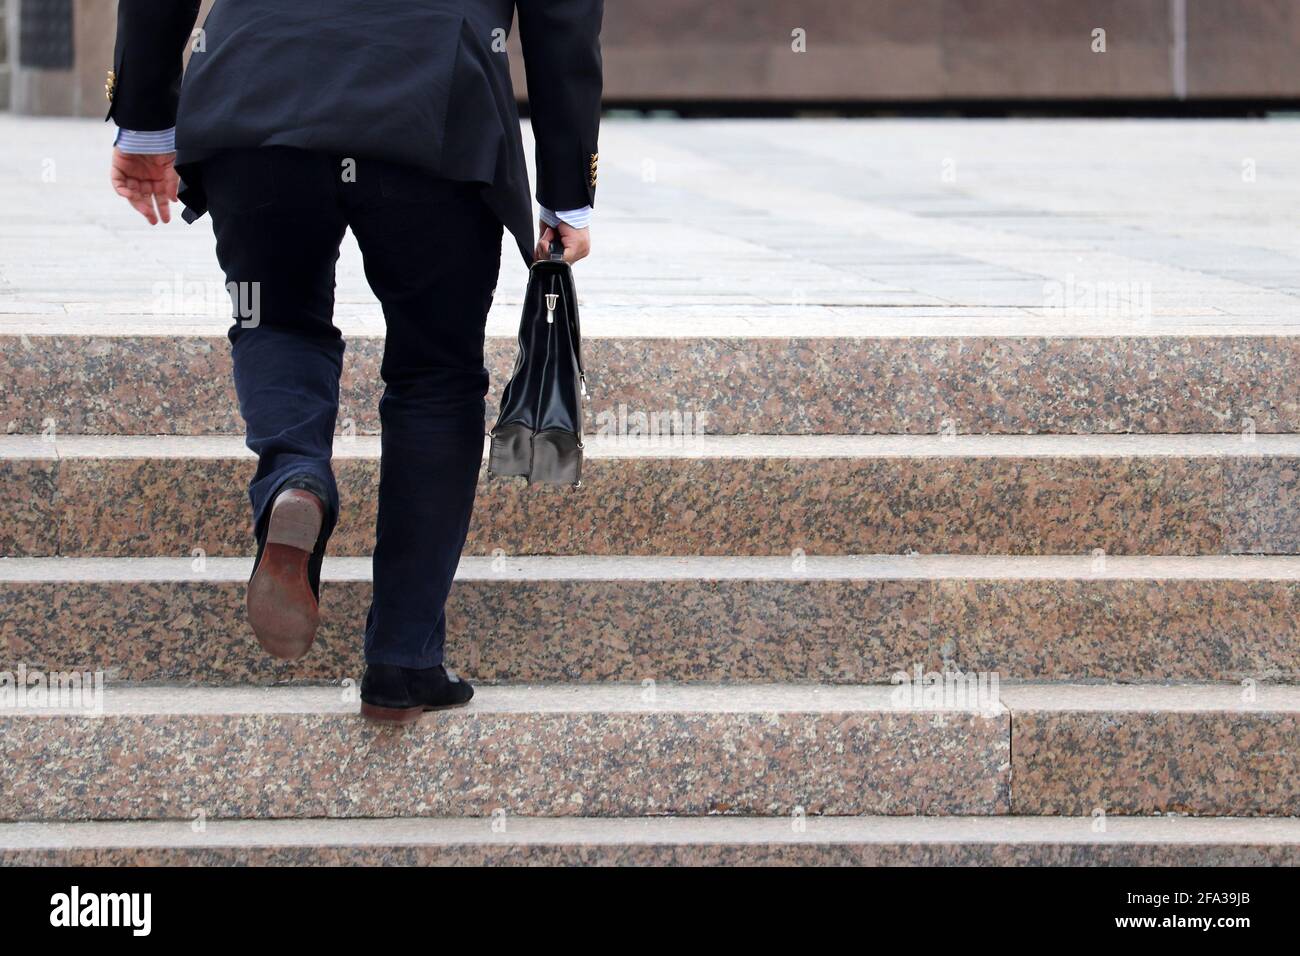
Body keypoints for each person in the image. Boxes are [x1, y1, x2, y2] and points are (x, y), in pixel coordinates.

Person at [106, 0, 603, 723]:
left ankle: (295, 475)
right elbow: (564, 13)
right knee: (436, 373)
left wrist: (146, 119)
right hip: (438, 93)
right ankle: (404, 660)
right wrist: (568, 191)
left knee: (274, 318)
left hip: (257, 78)